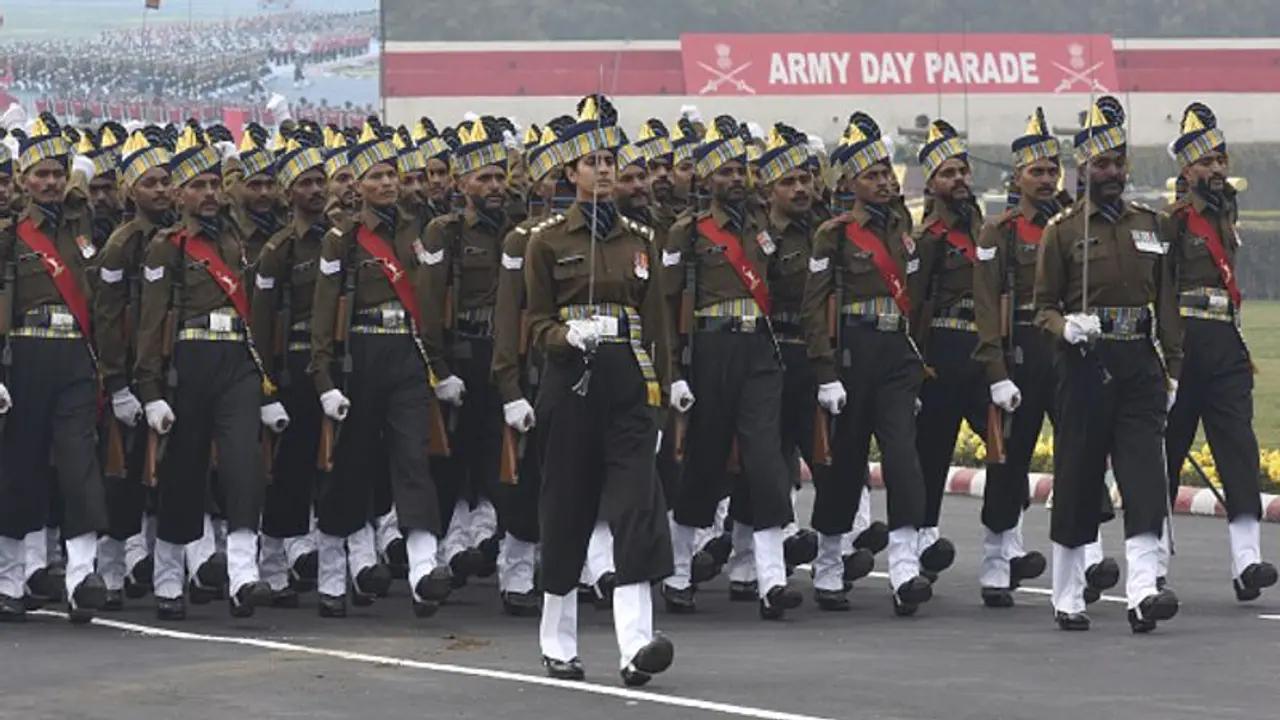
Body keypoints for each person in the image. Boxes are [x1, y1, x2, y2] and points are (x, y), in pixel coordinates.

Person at [524, 94, 674, 686]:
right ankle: (557, 640)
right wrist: (565, 334)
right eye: (593, 161)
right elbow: (534, 325)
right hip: (571, 385)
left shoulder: (639, 239)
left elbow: (657, 324)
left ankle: (636, 644)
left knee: (636, 510)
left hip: (627, 388)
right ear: (570, 173)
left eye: (611, 158)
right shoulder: (545, 242)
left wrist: (663, 392)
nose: (606, 169)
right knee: (567, 511)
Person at [1033, 96, 1182, 633]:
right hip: (1085, 366)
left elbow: (1165, 300)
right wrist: (1065, 326)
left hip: (1139, 363)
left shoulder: (1151, 225)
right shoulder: (1064, 230)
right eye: (1102, 163)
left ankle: (1144, 591)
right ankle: (1068, 592)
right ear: (1083, 167)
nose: (1112, 172)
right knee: (1077, 477)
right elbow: (1041, 306)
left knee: (1144, 476)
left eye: (1118, 162)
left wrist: (1174, 366)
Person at [307, 120, 452, 619]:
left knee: (414, 459)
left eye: (392, 174)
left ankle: (422, 570)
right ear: (357, 185)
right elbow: (324, 311)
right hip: (360, 356)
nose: (387, 184)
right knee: (351, 467)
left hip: (408, 357)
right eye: (375, 176)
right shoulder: (342, 240)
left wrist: (439, 366)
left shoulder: (422, 231)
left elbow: (431, 305)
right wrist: (323, 377)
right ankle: (334, 571)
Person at [135, 125, 280, 620]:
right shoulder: (167, 247)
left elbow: (257, 316)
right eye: (198, 186)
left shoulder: (240, 243)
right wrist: (149, 388)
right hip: (187, 364)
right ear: (179, 194)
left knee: (244, 466)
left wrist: (267, 385)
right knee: (183, 471)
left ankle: (243, 574)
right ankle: (170, 577)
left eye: (215, 185)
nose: (210, 194)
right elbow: (151, 322)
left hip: (237, 365)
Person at [660, 115, 802, 620]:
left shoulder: (765, 229)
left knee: (765, 461)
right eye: (724, 172)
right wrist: (673, 371)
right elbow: (666, 305)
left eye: (741, 170)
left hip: (759, 353)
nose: (735, 180)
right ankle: (677, 571)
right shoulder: (688, 233)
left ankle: (772, 582)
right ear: (706, 179)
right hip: (710, 352)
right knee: (703, 461)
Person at [801, 112, 935, 617]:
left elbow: (915, 299)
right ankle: (830, 561)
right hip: (852, 357)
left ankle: (904, 569)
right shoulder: (833, 235)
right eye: (872, 175)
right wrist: (825, 371)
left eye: (886, 172)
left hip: (896, 357)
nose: (883, 182)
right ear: (850, 183)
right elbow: (816, 306)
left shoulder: (903, 226)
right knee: (845, 465)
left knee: (903, 459)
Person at [1160, 102, 1278, 601]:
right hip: (1184, 345)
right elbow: (1160, 290)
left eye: (1220, 160)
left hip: (1226, 344)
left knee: (1238, 448)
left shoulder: (1227, 215)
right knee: (1166, 454)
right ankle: (1154, 564)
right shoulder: (1172, 222)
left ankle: (1247, 561)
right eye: (1206, 162)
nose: (1215, 169)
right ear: (1186, 170)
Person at [0, 113, 108, 623]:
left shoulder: (81, 226)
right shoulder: (10, 234)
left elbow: (87, 187)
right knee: (19, 467)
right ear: (22, 179)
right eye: (40, 173)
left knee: (78, 465)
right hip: (23, 357)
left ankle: (81, 574)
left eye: (57, 174)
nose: (49, 182)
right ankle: (11, 578)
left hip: (75, 357)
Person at [969, 109, 1065, 607]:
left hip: (1065, 350)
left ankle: (1082, 558)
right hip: (1021, 350)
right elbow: (987, 308)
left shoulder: (1072, 223)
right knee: (1010, 462)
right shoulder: (1000, 231)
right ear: (1017, 178)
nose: (1046, 180)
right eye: (1037, 172)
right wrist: (996, 372)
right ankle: (997, 557)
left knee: (1079, 454)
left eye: (1052, 171)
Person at [94, 128, 174, 610]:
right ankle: (109, 569)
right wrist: (118, 384)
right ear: (131, 191)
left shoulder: (179, 239)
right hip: (129, 372)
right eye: (151, 183)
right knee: (120, 478)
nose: (161, 190)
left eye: (166, 181)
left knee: (167, 474)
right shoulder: (123, 243)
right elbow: (108, 317)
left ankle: (160, 569)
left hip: (169, 368)